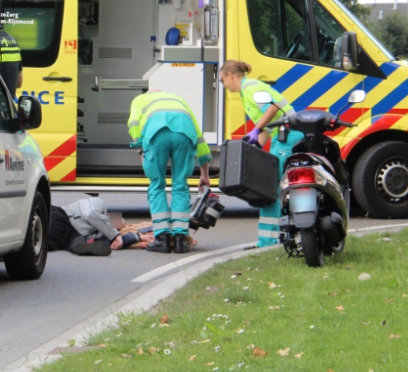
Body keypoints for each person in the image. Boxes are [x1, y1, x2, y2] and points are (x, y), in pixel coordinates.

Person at [218, 59, 303, 248]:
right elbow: (269, 126)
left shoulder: (249, 87)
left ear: (231, 76)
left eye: (223, 80)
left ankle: (269, 242)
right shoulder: (246, 91)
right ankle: (273, 238)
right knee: (274, 187)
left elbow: (272, 108)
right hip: (283, 134)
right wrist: (256, 142)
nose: (224, 85)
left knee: (270, 187)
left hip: (286, 136)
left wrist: (256, 129)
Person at [127, 90, 211, 254]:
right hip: (184, 135)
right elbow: (198, 135)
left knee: (157, 184)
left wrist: (140, 148)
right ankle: (180, 240)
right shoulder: (179, 99)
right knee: (180, 185)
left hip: (156, 135)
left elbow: (134, 124)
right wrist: (204, 174)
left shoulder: (140, 99)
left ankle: (162, 238)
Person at [48, 197, 138, 256]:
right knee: (70, 237)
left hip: (67, 236)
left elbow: (103, 242)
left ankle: (80, 246)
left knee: (48, 245)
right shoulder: (98, 203)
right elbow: (90, 214)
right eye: (113, 222)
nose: (113, 226)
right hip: (61, 216)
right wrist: (115, 235)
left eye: (117, 227)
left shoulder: (99, 233)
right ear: (108, 214)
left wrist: (137, 238)